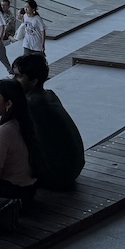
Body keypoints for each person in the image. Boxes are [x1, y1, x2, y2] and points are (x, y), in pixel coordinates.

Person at [12, 53, 84, 190]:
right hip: (73, 169)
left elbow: (15, 142)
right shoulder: (49, 95)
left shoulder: (31, 104)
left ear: (33, 81)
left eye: (18, 76)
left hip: (57, 176)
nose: (13, 80)